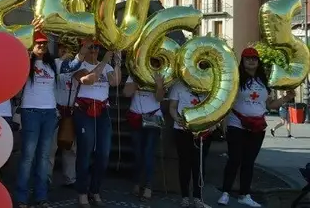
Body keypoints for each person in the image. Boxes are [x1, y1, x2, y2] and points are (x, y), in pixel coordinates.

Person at [218, 47, 295, 207]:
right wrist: (222, 121)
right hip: (236, 124)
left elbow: (271, 105)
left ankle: (244, 194)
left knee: (249, 162)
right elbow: (226, 101)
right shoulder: (236, 79)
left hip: (257, 126)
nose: (251, 61)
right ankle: (225, 192)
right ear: (243, 61)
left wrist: (287, 97)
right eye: (248, 58)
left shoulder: (264, 82)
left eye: (254, 58)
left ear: (258, 61)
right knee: (234, 159)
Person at [71, 39, 121, 208]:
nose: (94, 50)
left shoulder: (106, 67)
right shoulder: (79, 65)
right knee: (85, 153)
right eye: (91, 47)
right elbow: (89, 80)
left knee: (104, 154)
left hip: (102, 111)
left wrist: (117, 63)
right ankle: (82, 192)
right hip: (84, 111)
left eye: (96, 47)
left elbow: (115, 82)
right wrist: (106, 61)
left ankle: (95, 189)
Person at [13, 31, 59, 208]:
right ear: (32, 45)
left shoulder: (52, 64)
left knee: (43, 156)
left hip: (49, 112)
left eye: (44, 44)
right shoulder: (26, 62)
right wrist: (31, 31)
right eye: (38, 43)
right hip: (31, 111)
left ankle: (41, 195)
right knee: (28, 156)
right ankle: (21, 196)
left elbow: (72, 65)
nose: (41, 46)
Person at [123, 62, 165, 203]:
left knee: (148, 152)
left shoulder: (160, 73)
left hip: (153, 117)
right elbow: (126, 93)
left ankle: (148, 186)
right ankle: (136, 182)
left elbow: (160, 98)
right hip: (136, 117)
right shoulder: (134, 74)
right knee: (137, 153)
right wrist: (137, 79)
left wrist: (159, 85)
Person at [169, 78, 213, 208]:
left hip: (202, 131)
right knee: (184, 164)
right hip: (182, 130)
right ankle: (185, 197)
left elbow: (214, 106)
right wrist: (177, 119)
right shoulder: (179, 85)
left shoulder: (209, 83)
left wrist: (213, 123)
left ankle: (198, 197)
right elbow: (172, 107)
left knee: (199, 164)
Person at [53, 40, 81, 187]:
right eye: (61, 48)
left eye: (66, 48)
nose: (63, 51)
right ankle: (46, 179)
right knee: (50, 148)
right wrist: (65, 59)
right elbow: (58, 72)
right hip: (56, 110)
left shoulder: (77, 65)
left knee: (70, 147)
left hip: (70, 111)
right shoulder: (55, 63)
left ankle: (70, 179)